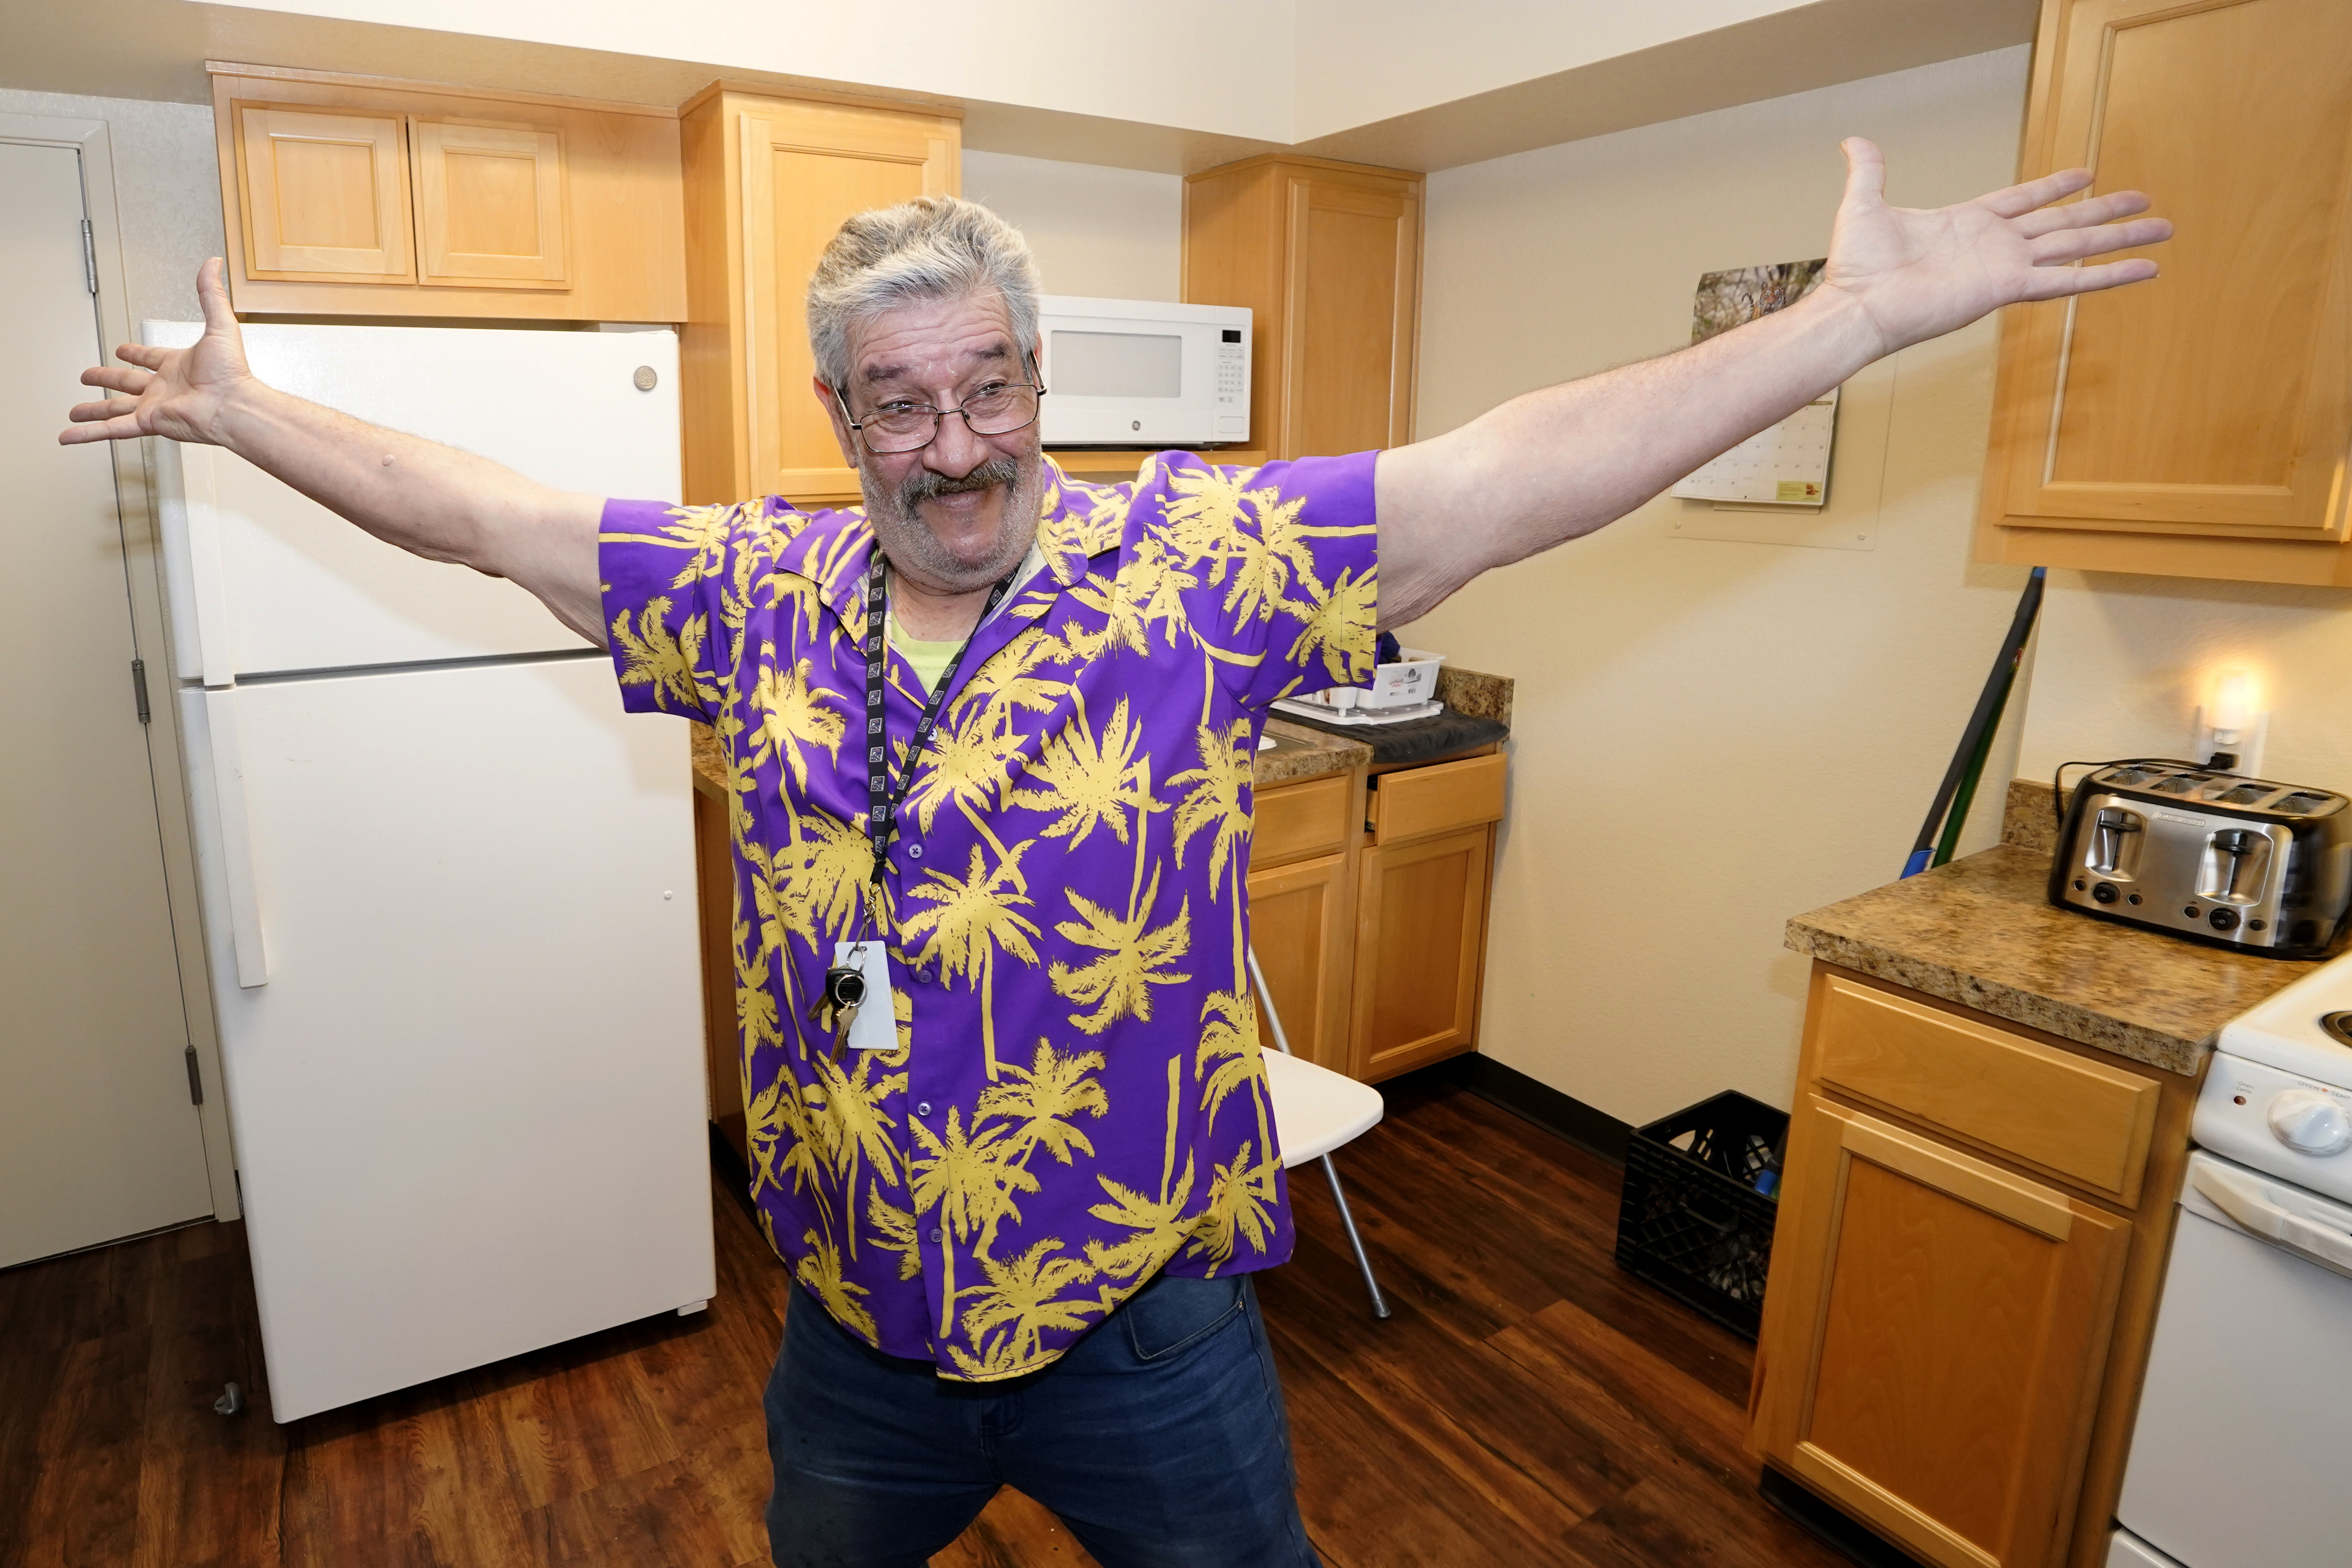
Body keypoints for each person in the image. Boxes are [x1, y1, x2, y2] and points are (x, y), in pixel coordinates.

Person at [61, 139, 2168, 1568]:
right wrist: (247, 413)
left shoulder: (1205, 563)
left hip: (1144, 1334)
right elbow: (489, 512)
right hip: (856, 1338)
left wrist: (1849, 323)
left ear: (1036, 377)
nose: (956, 440)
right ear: (838, 412)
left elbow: (1505, 477)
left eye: (988, 384)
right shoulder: (749, 594)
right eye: (902, 402)